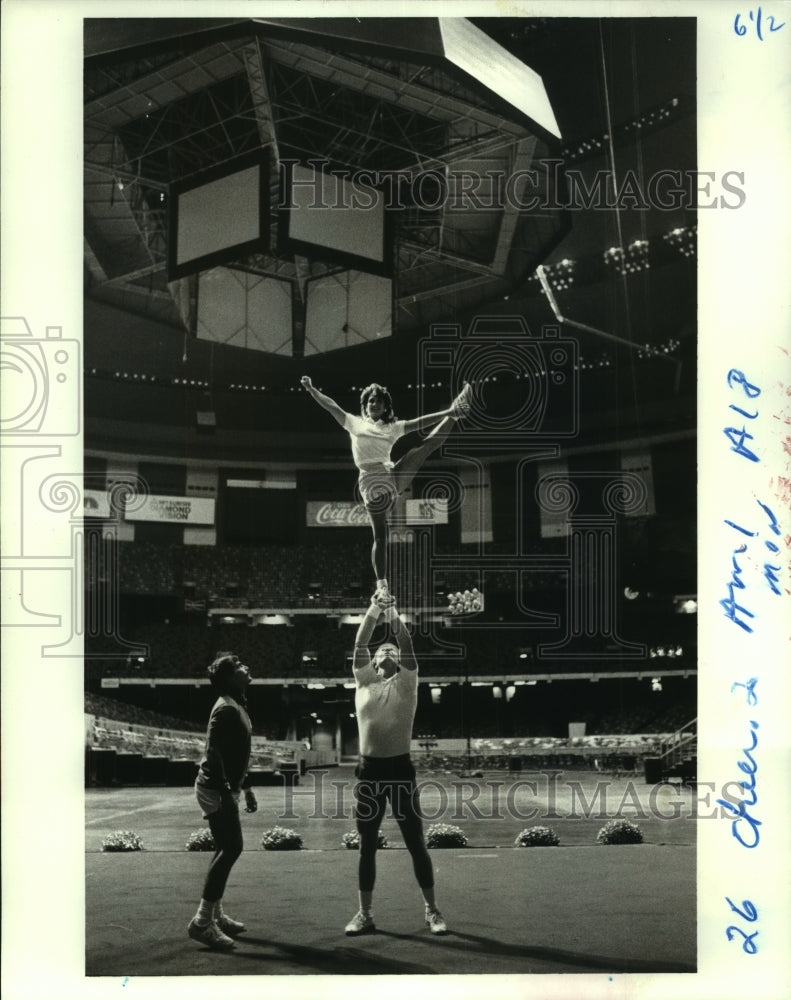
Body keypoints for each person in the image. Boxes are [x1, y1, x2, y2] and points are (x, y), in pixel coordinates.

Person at [301, 376, 471, 602]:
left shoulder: (393, 427)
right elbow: (332, 406)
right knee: (381, 536)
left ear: (385, 407)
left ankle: (455, 410)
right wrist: (312, 390)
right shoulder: (354, 423)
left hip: (392, 475)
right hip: (372, 481)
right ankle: (381, 586)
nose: (375, 404)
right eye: (371, 401)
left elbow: (420, 422)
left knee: (424, 448)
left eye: (380, 401)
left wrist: (445, 412)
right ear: (365, 405)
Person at [344, 594, 447, 936]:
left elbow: (404, 638)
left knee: (416, 843)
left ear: (400, 661)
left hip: (400, 771)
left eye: (392, 652)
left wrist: (391, 611)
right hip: (369, 773)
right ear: (372, 662)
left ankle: (432, 910)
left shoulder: (407, 683)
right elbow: (360, 640)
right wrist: (374, 608)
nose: (388, 651)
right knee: (367, 845)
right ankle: (365, 913)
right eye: (381, 651)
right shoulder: (363, 682)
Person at [188, 652, 258, 950]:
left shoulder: (236, 704)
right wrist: (227, 793)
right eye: (240, 666)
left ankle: (215, 914)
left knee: (224, 847)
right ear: (230, 678)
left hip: (224, 787)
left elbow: (237, 753)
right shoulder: (226, 710)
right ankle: (202, 922)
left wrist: (247, 786)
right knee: (232, 847)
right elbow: (215, 753)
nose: (246, 667)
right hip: (215, 788)